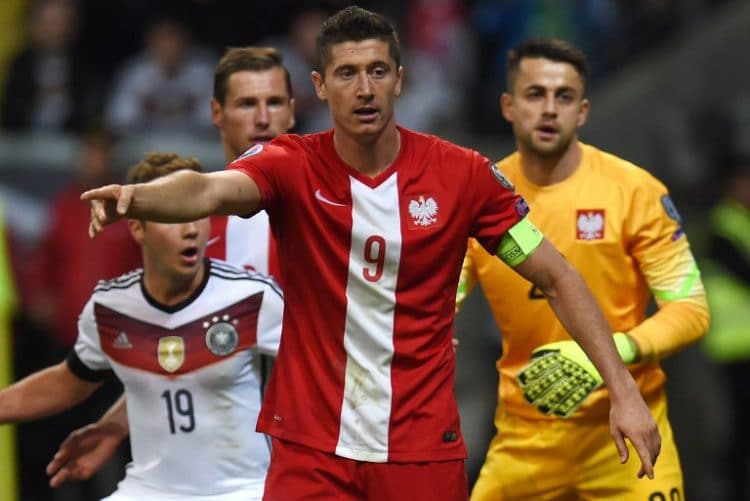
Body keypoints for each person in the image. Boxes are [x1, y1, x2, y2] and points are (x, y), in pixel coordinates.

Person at [82, 7, 660, 500]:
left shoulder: (463, 177)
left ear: (400, 80)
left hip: (420, 448)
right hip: (311, 449)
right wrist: (138, 198)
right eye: (348, 73)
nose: (364, 89)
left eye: (378, 71)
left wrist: (625, 392)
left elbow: (557, 276)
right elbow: (208, 188)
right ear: (320, 85)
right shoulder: (288, 165)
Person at [457, 38, 709, 500]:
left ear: (584, 110)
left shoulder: (634, 191)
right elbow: (437, 297)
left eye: (565, 96)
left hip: (627, 425)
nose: (550, 109)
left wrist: (615, 351)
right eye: (535, 95)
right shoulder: (480, 200)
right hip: (525, 440)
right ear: (509, 106)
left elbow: (692, 309)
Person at [45, 45, 297, 489]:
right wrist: (120, 422)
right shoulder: (196, 234)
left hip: (328, 449)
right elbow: (188, 352)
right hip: (237, 474)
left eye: (274, 102)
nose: (263, 119)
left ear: (293, 111)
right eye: (246, 103)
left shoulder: (328, 212)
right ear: (216, 112)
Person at [0, 152, 285, 501]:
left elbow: (322, 374)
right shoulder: (110, 309)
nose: (191, 229)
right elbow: (67, 382)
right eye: (173, 218)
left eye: (198, 214)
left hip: (243, 491)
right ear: (137, 227)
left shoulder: (253, 299)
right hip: (146, 491)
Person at [701, 153, 750, 501]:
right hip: (734, 346)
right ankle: (733, 487)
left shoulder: (741, 222)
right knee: (742, 425)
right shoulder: (722, 228)